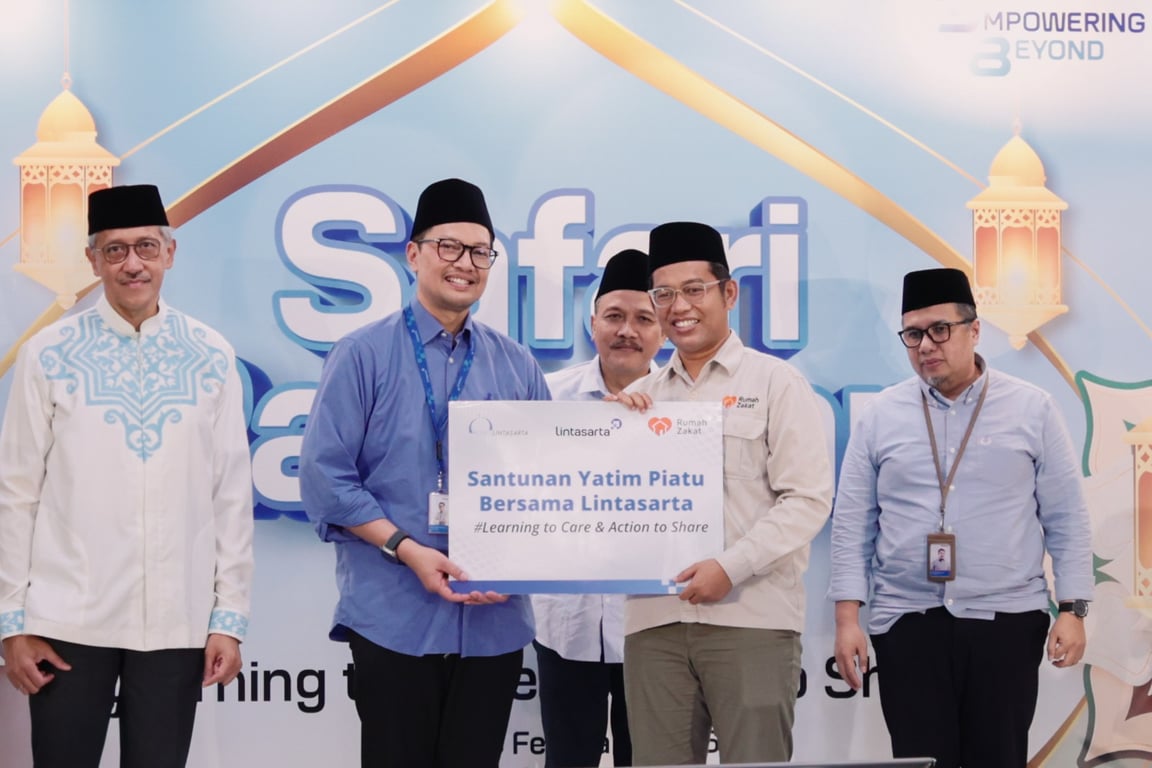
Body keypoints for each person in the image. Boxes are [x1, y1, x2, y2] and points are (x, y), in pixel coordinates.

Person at [0, 184, 255, 768]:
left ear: (170, 253)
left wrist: (229, 618)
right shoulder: (49, 354)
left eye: (146, 247)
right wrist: (12, 623)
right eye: (115, 250)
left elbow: (230, 495)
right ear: (93, 261)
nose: (132, 264)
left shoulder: (210, 354)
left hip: (175, 620)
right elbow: (16, 494)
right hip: (67, 621)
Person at [298, 178, 550, 768]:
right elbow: (325, 478)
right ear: (414, 254)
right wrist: (407, 549)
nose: (466, 264)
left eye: (480, 252)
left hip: (493, 620)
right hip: (394, 616)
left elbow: (548, 483)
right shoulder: (363, 354)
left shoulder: (516, 364)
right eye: (449, 247)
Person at [829, 267, 1093, 768]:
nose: (926, 345)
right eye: (913, 334)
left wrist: (1073, 609)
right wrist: (847, 620)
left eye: (939, 329)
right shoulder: (881, 415)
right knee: (919, 760)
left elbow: (1067, 517)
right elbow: (853, 523)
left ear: (975, 330)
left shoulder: (1032, 409)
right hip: (908, 621)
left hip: (1006, 620)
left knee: (999, 757)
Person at [614, 222, 834, 764]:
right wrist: (609, 437)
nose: (679, 306)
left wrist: (729, 567)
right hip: (655, 623)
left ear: (728, 293)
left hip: (749, 618)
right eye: (664, 294)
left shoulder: (776, 383)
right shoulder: (637, 398)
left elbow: (807, 499)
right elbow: (608, 510)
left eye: (694, 289)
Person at [532, 248, 664, 768]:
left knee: (650, 760)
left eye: (643, 319)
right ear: (593, 324)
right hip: (566, 621)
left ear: (662, 330)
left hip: (654, 624)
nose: (627, 331)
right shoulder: (545, 399)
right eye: (614, 316)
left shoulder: (685, 408)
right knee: (567, 758)